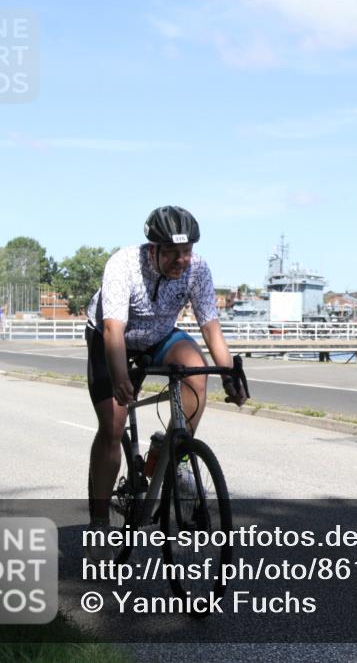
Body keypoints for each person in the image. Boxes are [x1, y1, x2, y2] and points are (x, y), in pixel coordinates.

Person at [84, 206, 247, 543]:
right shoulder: (123, 265)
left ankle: (172, 451)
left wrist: (230, 376)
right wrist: (119, 378)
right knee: (113, 427)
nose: (181, 260)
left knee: (196, 368)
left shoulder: (197, 269)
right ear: (153, 249)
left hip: (158, 335)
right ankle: (99, 527)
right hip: (111, 338)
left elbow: (211, 328)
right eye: (172, 253)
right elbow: (114, 330)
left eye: (186, 252)